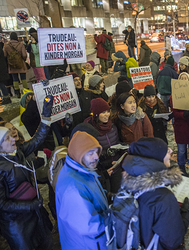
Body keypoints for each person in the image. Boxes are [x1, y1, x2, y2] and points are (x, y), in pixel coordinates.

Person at [0, 96, 54, 250]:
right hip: (17, 223)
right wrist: (29, 206)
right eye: (6, 139)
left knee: (47, 244)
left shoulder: (19, 151)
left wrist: (46, 114)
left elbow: (38, 138)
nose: (12, 140)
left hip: (35, 214)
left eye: (11, 136)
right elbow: (2, 204)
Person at [120, 137, 189, 249]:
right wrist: (185, 215)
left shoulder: (128, 181)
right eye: (165, 150)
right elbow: (173, 241)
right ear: (155, 159)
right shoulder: (163, 198)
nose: (171, 151)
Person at [55, 131, 108, 250]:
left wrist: (108, 196)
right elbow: (89, 226)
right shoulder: (73, 188)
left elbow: (91, 196)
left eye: (96, 152)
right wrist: (115, 219)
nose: (96, 157)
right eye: (90, 153)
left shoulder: (82, 170)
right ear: (79, 154)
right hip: (87, 245)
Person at [84, 98, 122, 192]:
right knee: (106, 193)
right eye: (103, 112)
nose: (107, 115)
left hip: (115, 165)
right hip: (102, 168)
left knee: (117, 193)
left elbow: (117, 142)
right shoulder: (91, 130)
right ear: (96, 114)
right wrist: (104, 155)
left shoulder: (113, 126)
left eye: (108, 111)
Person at [172, 72, 189, 177]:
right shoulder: (174, 94)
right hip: (181, 127)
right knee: (181, 150)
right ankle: (182, 168)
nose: (183, 80)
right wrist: (184, 114)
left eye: (185, 78)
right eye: (181, 78)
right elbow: (174, 112)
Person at [3, 32, 29, 98]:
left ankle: (17, 93)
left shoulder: (6, 46)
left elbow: (5, 55)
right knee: (23, 79)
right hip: (21, 64)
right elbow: (24, 55)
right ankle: (26, 92)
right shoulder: (21, 45)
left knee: (15, 79)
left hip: (12, 65)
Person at [0, 40, 11, 104]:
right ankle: (5, 97)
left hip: (1, 70)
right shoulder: (2, 47)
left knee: (1, 84)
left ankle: (6, 97)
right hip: (3, 69)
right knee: (2, 84)